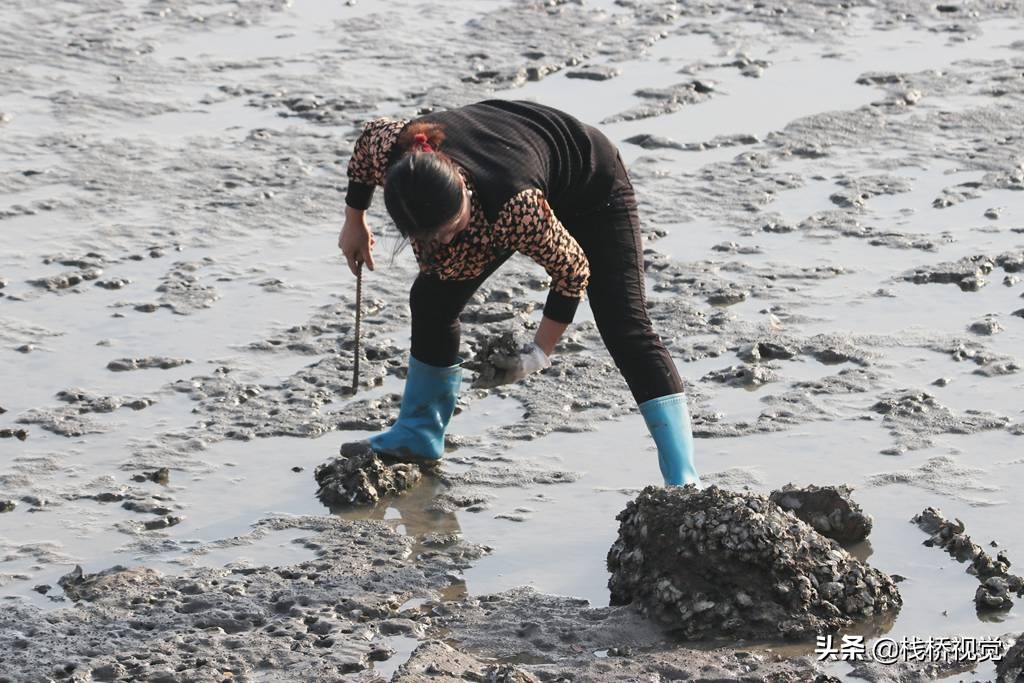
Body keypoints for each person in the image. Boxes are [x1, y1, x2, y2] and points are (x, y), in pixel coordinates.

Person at [338, 99, 699, 486]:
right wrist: (354, 220)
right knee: (431, 300)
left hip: (591, 184)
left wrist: (536, 355)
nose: (443, 240)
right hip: (516, 171)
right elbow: (366, 142)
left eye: (451, 227)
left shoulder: (513, 207)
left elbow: (573, 270)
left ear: (460, 186)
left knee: (625, 326)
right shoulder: (394, 149)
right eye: (429, 236)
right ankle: (419, 434)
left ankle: (683, 479)